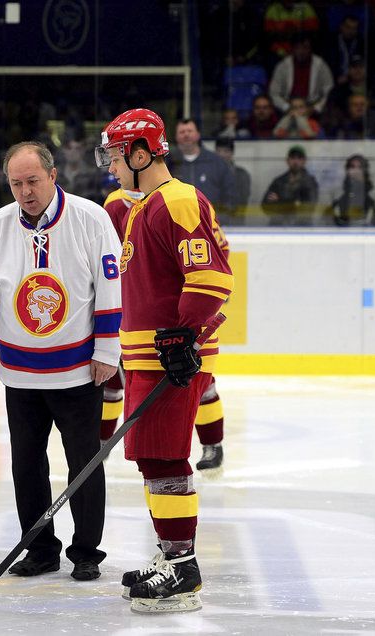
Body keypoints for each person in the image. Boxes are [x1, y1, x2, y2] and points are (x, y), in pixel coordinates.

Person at [0, 141, 122, 581]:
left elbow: (109, 287)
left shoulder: (91, 218)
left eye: (33, 181)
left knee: (83, 463)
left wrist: (108, 352)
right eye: (16, 183)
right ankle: (40, 548)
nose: (25, 191)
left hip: (78, 371)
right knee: (26, 465)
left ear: (53, 176)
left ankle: (86, 551)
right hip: (21, 373)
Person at [95, 108, 233, 612]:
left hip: (166, 356)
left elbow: (211, 278)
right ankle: (170, 555)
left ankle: (183, 567)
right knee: (153, 457)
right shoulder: (139, 205)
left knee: (169, 457)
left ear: (139, 153)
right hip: (146, 356)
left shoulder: (176, 200)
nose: (110, 164)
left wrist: (181, 337)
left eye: (115, 154)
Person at [101, 185, 232, 471]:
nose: (113, 169)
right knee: (111, 383)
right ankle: (101, 445)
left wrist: (203, 299)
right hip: (132, 315)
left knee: (201, 383)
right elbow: (109, 260)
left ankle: (213, 443)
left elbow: (218, 249)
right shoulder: (113, 205)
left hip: (179, 322)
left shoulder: (180, 200)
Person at [170, 118, 235, 223]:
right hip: (178, 227)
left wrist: (221, 220)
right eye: (182, 132)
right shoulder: (168, 163)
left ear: (198, 134)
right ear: (176, 137)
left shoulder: (216, 162)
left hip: (212, 226)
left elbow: (229, 195)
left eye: (190, 131)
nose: (186, 135)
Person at [268, 33, 334, 116]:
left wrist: (315, 108)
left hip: (312, 108)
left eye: (305, 48)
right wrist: (287, 108)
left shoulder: (321, 65)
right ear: (292, 49)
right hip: (287, 108)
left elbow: (329, 91)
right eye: (298, 48)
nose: (301, 51)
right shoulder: (283, 66)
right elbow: (274, 93)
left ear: (311, 49)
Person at [261, 145, 319, 225]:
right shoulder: (278, 181)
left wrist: (280, 201)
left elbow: (308, 209)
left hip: (301, 230)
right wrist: (295, 202)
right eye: (293, 158)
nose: (296, 162)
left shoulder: (310, 182)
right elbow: (265, 206)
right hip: (278, 229)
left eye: (299, 158)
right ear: (287, 160)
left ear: (304, 161)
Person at [327, 154, 375, 227]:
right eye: (352, 167)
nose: (356, 170)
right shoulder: (338, 193)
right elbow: (330, 219)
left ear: (365, 170)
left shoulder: (374, 194)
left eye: (360, 167)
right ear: (347, 170)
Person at [213, 138, 252, 223]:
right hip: (213, 223)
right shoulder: (209, 173)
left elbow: (242, 200)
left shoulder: (242, 175)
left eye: (226, 151)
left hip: (235, 222)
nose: (221, 155)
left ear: (232, 153)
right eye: (219, 151)